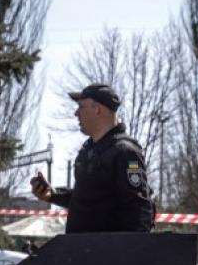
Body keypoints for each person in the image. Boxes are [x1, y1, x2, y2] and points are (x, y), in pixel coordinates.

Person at [29, 83, 154, 234]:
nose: (76, 113)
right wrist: (52, 195)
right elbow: (88, 201)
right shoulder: (89, 150)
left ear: (98, 110)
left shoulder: (125, 152)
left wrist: (130, 253)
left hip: (107, 253)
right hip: (82, 250)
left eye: (81, 107)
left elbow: (138, 209)